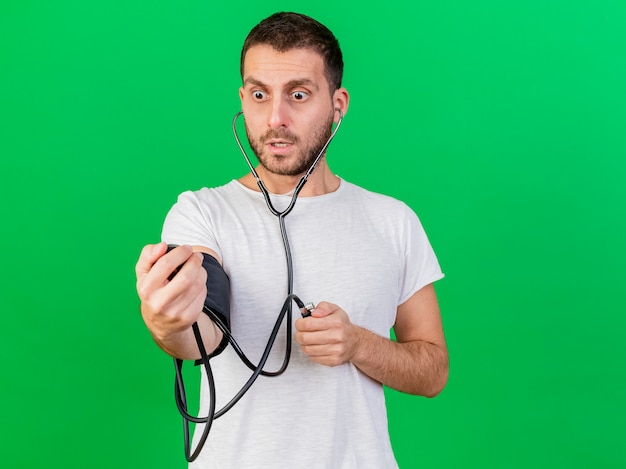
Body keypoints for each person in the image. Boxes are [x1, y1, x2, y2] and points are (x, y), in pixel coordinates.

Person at [135, 11, 448, 469]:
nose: (275, 118)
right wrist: (168, 321)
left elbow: (432, 370)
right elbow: (201, 330)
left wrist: (358, 344)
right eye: (260, 95)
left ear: (338, 104)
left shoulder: (393, 221)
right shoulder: (201, 213)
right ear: (242, 99)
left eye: (298, 94)